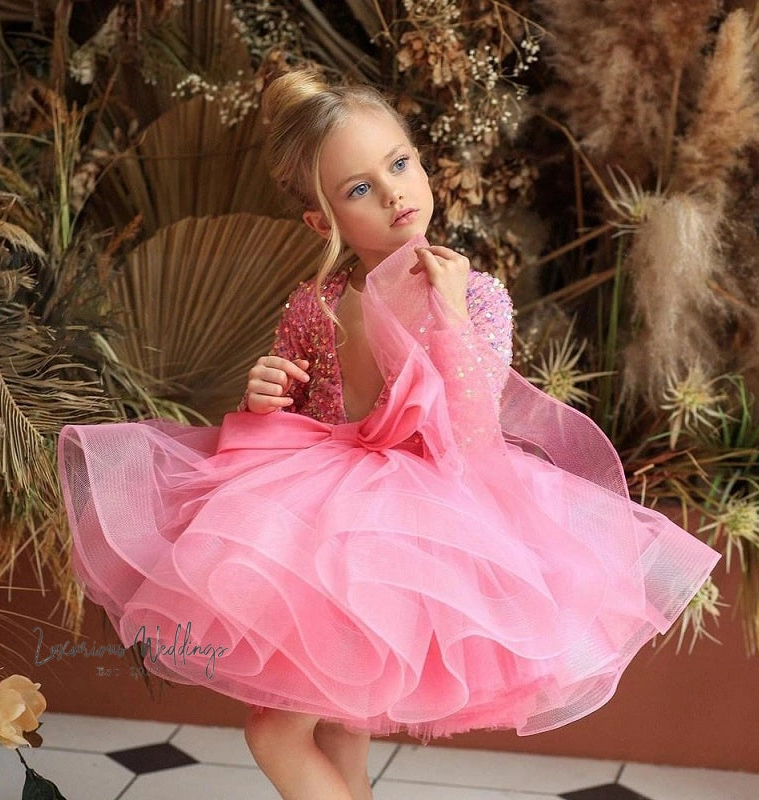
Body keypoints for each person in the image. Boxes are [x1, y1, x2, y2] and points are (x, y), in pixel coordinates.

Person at [58, 69, 720, 800]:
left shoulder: (473, 294)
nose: (394, 192)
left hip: (417, 531)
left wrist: (452, 320)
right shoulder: (318, 302)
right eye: (358, 189)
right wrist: (267, 392)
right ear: (323, 223)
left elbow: (472, 438)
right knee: (325, 726)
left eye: (399, 164)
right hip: (325, 518)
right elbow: (305, 418)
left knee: (291, 729)